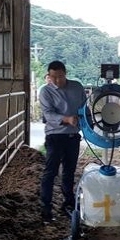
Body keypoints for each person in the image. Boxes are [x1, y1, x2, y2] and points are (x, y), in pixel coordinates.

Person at [38, 60, 87, 224]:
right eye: (53, 77)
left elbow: (84, 108)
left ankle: (68, 203)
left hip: (73, 137)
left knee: (69, 172)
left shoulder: (77, 87)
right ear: (49, 76)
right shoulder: (45, 91)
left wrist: (85, 122)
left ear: (65, 73)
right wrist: (66, 118)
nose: (57, 80)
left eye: (60, 76)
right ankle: (46, 208)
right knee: (50, 172)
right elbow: (48, 114)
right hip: (55, 136)